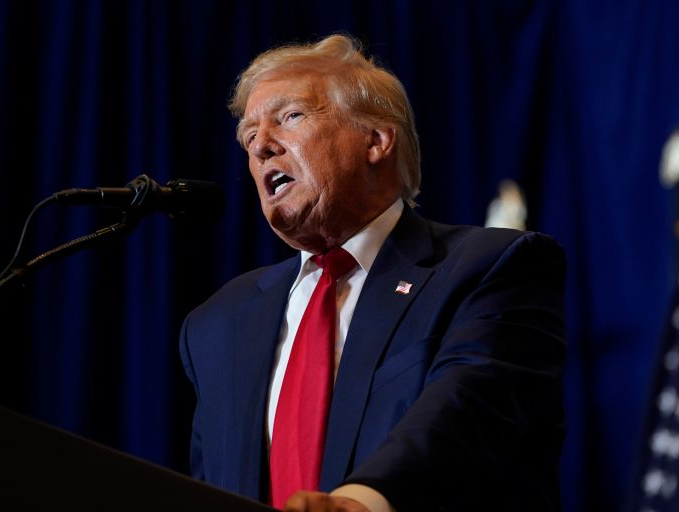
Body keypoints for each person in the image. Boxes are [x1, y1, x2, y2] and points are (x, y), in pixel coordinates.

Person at [179, 34, 567, 512]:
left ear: (377, 140)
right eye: (248, 135)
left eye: (290, 116)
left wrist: (364, 501)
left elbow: (469, 408)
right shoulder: (217, 324)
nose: (260, 146)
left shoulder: (490, 268)